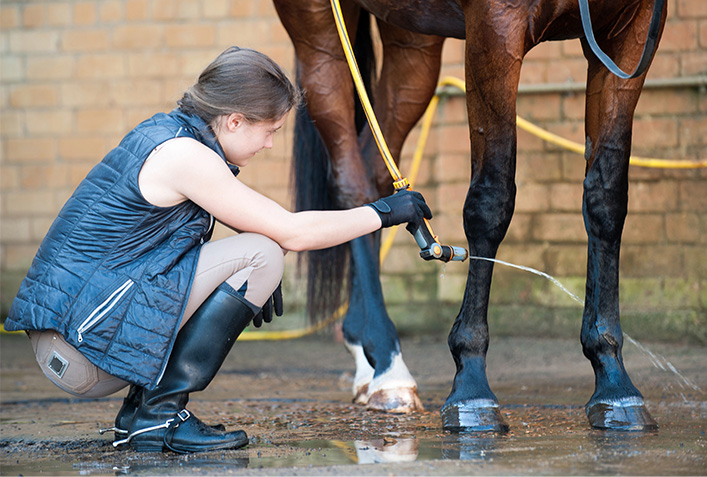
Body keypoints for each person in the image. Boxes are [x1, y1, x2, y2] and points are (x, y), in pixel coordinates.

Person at [5, 46, 432, 454]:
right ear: (233, 121)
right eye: (270, 131)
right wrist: (382, 212)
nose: (269, 145)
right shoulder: (185, 157)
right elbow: (293, 233)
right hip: (80, 352)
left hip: (73, 341)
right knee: (263, 255)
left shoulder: (166, 134)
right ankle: (158, 416)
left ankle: (139, 415)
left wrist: (237, 291)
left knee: (258, 254)